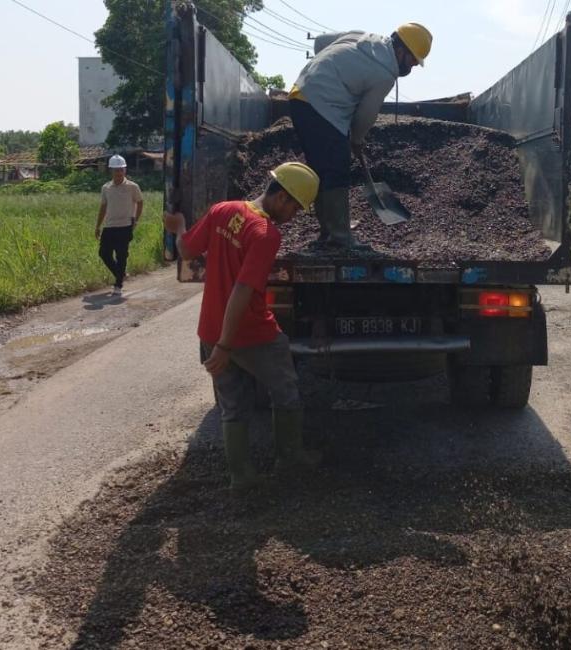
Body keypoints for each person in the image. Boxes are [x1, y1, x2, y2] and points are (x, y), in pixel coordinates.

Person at [162, 162, 321, 491]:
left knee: (232, 404)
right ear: (282, 198)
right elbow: (243, 289)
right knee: (286, 390)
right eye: (295, 207)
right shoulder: (264, 234)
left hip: (209, 329)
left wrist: (178, 227)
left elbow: (187, 249)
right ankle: (289, 459)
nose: (293, 215)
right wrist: (226, 345)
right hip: (249, 333)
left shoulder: (224, 210)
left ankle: (241, 476)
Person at [287, 22, 432, 249]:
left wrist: (333, 69)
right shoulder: (385, 72)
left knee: (322, 169)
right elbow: (367, 113)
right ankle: (340, 237)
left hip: (301, 93)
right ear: (401, 50)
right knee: (336, 168)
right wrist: (356, 139)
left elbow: (321, 43)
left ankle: (330, 229)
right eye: (413, 60)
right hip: (323, 104)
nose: (412, 67)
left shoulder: (363, 36)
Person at [96, 154, 143, 297]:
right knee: (104, 253)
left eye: (121, 170)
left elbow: (140, 202)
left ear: (125, 170)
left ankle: (118, 284)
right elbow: (103, 207)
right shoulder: (106, 188)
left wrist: (135, 220)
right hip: (109, 226)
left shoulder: (132, 187)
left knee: (122, 255)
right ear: (111, 171)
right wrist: (97, 226)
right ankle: (120, 273)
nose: (118, 173)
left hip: (125, 226)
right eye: (115, 170)